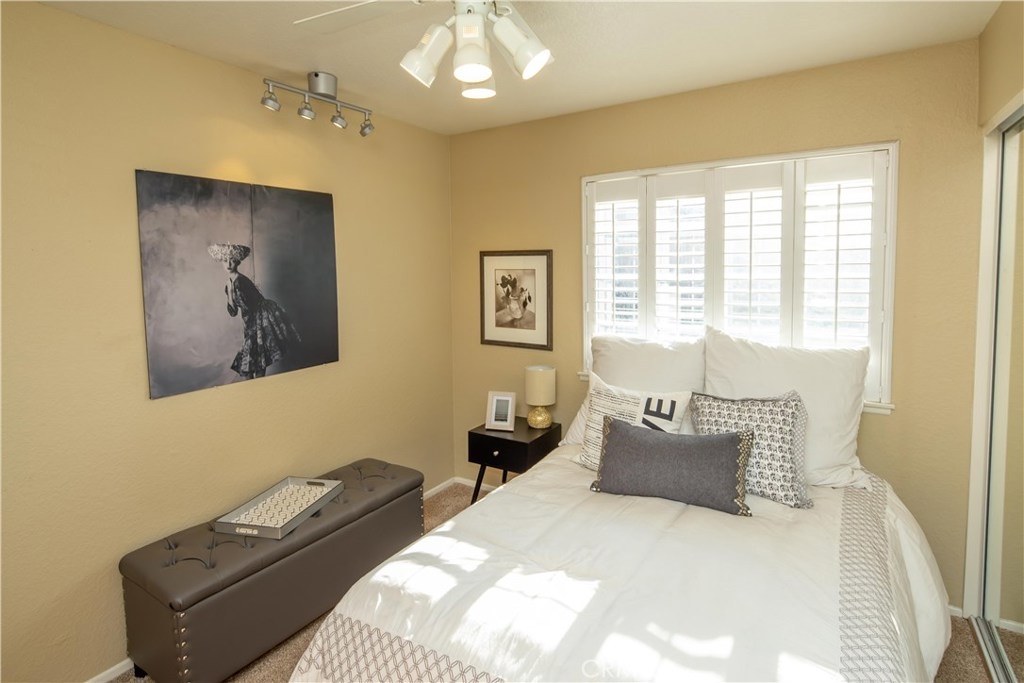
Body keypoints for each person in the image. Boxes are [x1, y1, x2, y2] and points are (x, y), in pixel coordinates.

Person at [207, 243, 300, 379]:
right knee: (253, 364)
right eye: (225, 260)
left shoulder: (242, 281)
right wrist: (231, 292)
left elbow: (250, 306)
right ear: (221, 262)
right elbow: (233, 312)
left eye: (232, 260)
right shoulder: (229, 285)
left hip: (258, 321)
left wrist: (235, 290)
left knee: (256, 362)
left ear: (237, 262)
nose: (229, 264)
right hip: (249, 324)